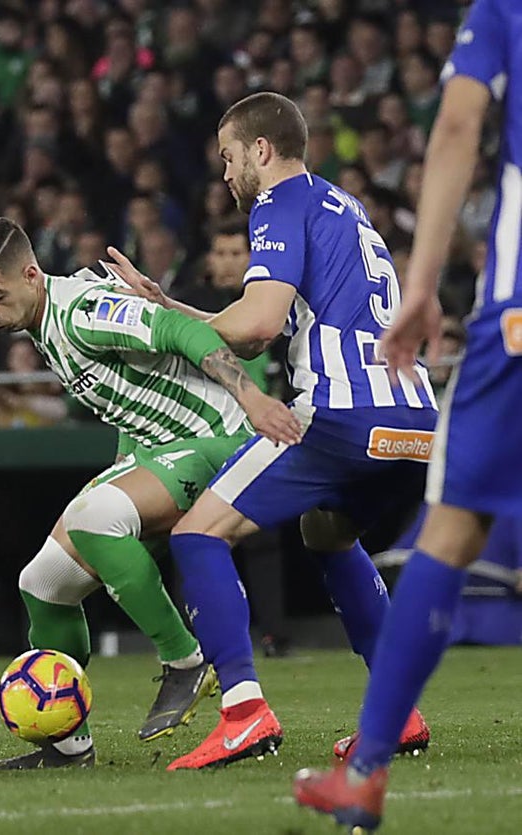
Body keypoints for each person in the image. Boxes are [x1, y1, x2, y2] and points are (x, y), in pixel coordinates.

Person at [110, 92, 437, 771]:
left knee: (198, 532)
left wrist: (167, 325)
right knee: (327, 531)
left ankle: (243, 712)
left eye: (229, 158)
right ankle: (396, 713)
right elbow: (268, 328)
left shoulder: (277, 204)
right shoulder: (342, 204)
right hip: (413, 420)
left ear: (261, 150)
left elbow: (256, 325)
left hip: (345, 414)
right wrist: (173, 309)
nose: (226, 175)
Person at [0, 216, 301, 769]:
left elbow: (178, 331)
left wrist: (252, 397)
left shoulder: (82, 310)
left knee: (96, 518)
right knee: (42, 584)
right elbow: (130, 386)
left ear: (31, 273)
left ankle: (184, 659)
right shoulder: (45, 323)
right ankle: (68, 747)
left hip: (216, 437)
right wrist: (125, 464)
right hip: (159, 449)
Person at [294, 2, 522, 828]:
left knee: (452, 531)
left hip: (519, 319)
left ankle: (369, 772)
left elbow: (459, 123)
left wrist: (421, 283)